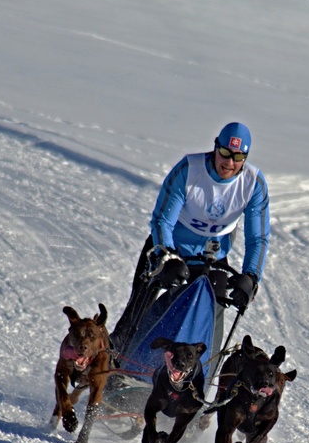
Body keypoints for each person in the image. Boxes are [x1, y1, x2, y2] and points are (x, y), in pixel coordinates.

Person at [111, 122, 270, 351]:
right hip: (170, 249)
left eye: (238, 157)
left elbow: (258, 238)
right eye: (225, 153)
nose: (229, 162)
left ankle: (197, 376)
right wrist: (167, 256)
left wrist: (251, 277)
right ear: (216, 147)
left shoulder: (253, 184)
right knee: (139, 308)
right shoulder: (189, 169)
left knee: (211, 314)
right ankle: (120, 359)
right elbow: (162, 221)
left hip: (211, 258)